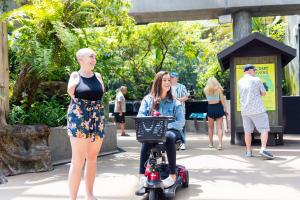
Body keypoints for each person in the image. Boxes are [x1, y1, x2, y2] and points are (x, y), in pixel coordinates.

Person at [67, 48, 105, 200]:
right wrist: (75, 83)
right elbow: (71, 93)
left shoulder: (98, 76)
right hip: (79, 117)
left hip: (97, 117)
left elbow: (100, 94)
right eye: (90, 56)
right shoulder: (75, 75)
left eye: (94, 57)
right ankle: (73, 198)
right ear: (80, 59)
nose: (93, 59)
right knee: (78, 160)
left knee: (92, 158)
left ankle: (89, 194)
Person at [137, 71, 185, 189]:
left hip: (172, 131)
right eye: (164, 80)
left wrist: (163, 127)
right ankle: (142, 174)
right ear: (158, 82)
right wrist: (154, 125)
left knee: (167, 136)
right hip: (152, 132)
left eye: (169, 80)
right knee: (147, 138)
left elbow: (181, 122)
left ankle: (172, 175)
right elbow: (140, 116)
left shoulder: (175, 102)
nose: (168, 82)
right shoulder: (148, 100)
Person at [237, 64, 274, 159]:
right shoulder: (257, 80)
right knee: (264, 129)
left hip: (245, 110)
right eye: (254, 70)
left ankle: (248, 152)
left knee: (247, 131)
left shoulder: (239, 82)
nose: (255, 71)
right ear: (249, 70)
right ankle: (263, 149)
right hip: (258, 110)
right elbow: (264, 93)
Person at [204, 77, 227, 150]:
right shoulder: (219, 90)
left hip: (210, 108)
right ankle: (220, 144)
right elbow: (223, 101)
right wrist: (225, 109)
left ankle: (211, 143)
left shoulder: (206, 90)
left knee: (210, 128)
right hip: (218, 107)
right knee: (220, 127)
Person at [170, 72, 189, 150]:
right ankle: (175, 143)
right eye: (171, 77)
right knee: (172, 126)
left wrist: (178, 100)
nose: (172, 78)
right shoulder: (168, 86)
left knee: (181, 126)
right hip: (170, 110)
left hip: (180, 109)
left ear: (177, 78)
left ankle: (183, 142)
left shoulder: (182, 86)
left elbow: (186, 97)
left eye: (174, 77)